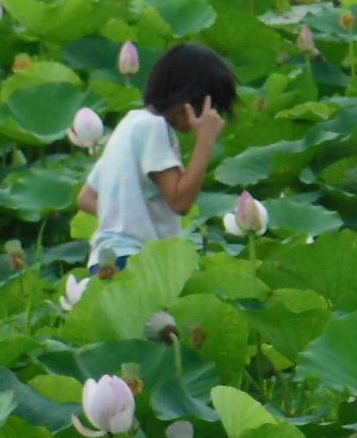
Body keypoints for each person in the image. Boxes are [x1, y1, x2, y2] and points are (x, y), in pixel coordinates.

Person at [77, 43, 237, 271]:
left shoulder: (128, 125)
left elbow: (86, 197)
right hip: (136, 260)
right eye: (209, 107)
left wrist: (126, 216)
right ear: (189, 101)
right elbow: (180, 202)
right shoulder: (155, 127)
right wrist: (205, 141)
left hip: (105, 260)